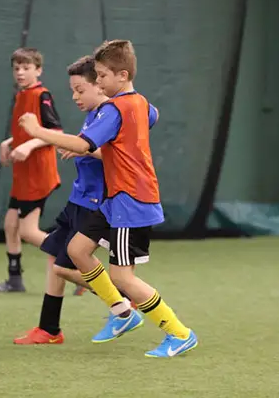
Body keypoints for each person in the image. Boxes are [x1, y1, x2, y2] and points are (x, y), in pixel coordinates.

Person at [19, 40, 197, 358]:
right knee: (76, 250)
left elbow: (84, 145)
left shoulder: (114, 109)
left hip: (131, 201)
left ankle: (178, 333)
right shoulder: (139, 103)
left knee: (122, 277)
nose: (97, 83)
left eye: (101, 76)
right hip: (114, 199)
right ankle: (121, 314)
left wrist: (37, 131)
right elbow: (152, 116)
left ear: (122, 74)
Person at [0, 47, 66, 293]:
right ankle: (14, 280)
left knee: (29, 232)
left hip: (38, 175)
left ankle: (76, 261)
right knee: (10, 225)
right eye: (16, 68)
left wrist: (29, 146)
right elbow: (27, 130)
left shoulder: (42, 95)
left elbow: (56, 133)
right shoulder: (22, 95)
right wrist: (9, 143)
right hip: (23, 175)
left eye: (26, 68)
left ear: (38, 70)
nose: (20, 73)